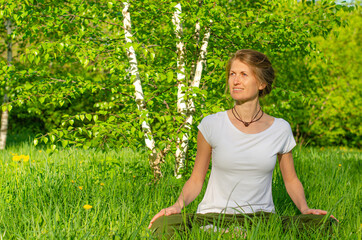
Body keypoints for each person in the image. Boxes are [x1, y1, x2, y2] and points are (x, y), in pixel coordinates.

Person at [148, 49, 337, 238]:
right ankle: (229, 232)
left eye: (244, 74)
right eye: (232, 74)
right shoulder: (211, 124)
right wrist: (177, 205)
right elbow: (196, 179)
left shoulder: (280, 129)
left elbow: (291, 180)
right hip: (213, 216)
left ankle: (235, 234)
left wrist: (305, 209)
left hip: (261, 218)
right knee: (163, 225)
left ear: (262, 83)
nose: (235, 81)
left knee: (325, 224)